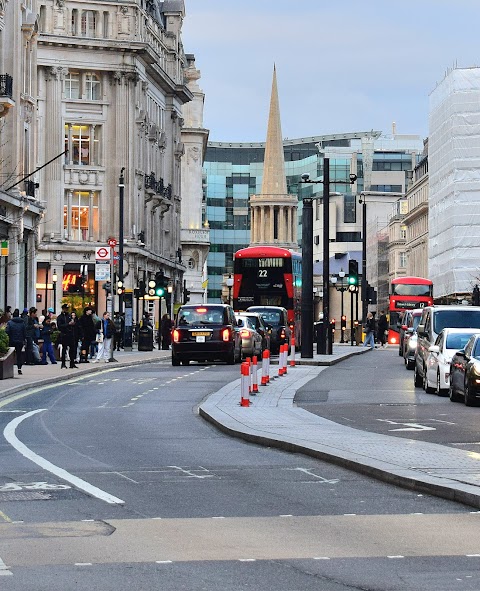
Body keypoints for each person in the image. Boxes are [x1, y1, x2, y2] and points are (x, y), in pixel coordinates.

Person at [56, 303, 78, 369]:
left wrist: (73, 324)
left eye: (67, 309)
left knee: (72, 349)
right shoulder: (60, 317)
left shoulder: (69, 316)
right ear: (63, 309)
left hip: (70, 334)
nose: (67, 310)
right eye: (66, 309)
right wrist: (68, 324)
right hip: (64, 334)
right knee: (64, 349)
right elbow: (60, 326)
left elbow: (73, 323)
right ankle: (63, 364)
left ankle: (72, 363)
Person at [5, 309, 26, 375]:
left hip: (12, 340)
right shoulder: (22, 323)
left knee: (10, 354)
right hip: (20, 341)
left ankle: (10, 368)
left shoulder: (10, 323)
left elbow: (7, 331)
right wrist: (24, 340)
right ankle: (19, 368)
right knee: (19, 354)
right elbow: (24, 333)